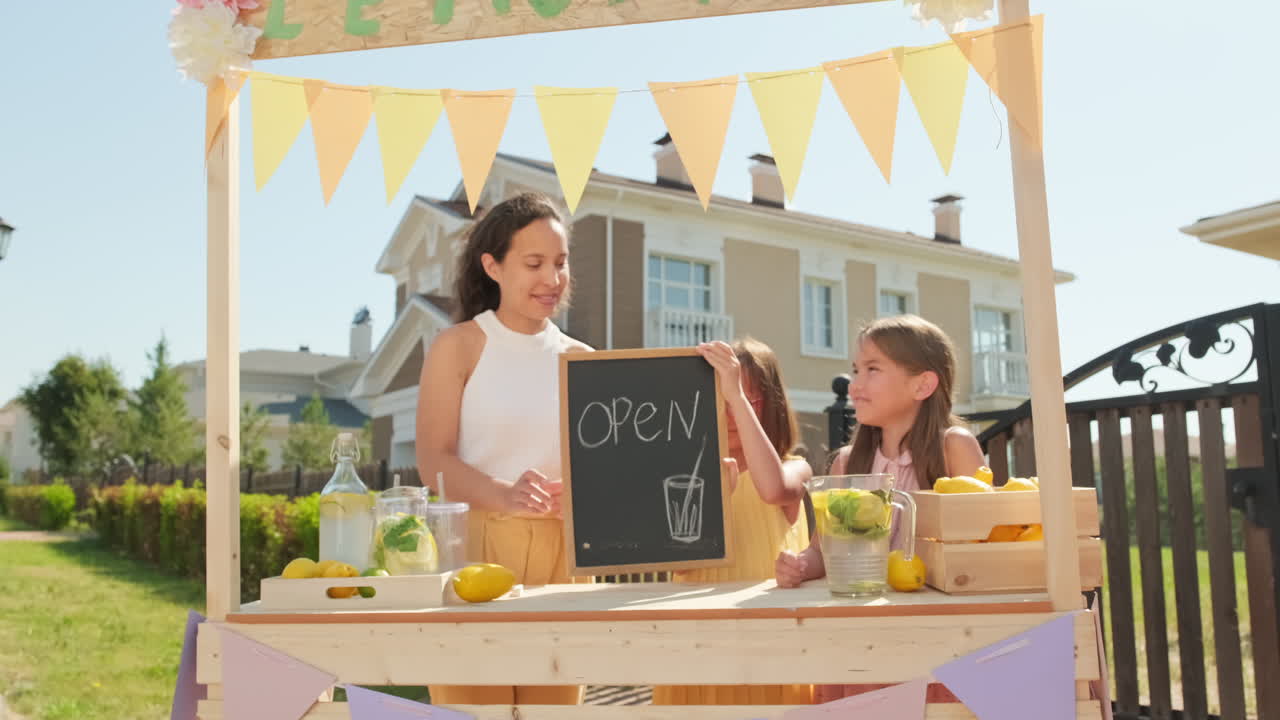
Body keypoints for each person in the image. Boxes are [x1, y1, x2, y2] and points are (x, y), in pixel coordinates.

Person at [416, 192, 591, 706]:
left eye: (559, 263)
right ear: (491, 265)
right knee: (473, 710)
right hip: (472, 555)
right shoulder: (459, 346)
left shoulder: (583, 360)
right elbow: (433, 459)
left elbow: (603, 471)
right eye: (533, 263)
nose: (552, 279)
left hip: (563, 558)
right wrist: (504, 495)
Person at [774, 314, 984, 704]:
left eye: (873, 369)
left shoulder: (954, 448)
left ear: (923, 383)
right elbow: (824, 550)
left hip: (938, 649)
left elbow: (981, 552)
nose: (854, 385)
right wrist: (802, 564)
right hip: (860, 649)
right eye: (856, 370)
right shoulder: (846, 465)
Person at [651, 337, 814, 706]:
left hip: (765, 639)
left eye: (745, 398)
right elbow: (666, 555)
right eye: (719, 399)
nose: (729, 411)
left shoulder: (794, 467)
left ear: (770, 406)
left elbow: (773, 489)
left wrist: (735, 395)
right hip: (695, 635)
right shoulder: (681, 477)